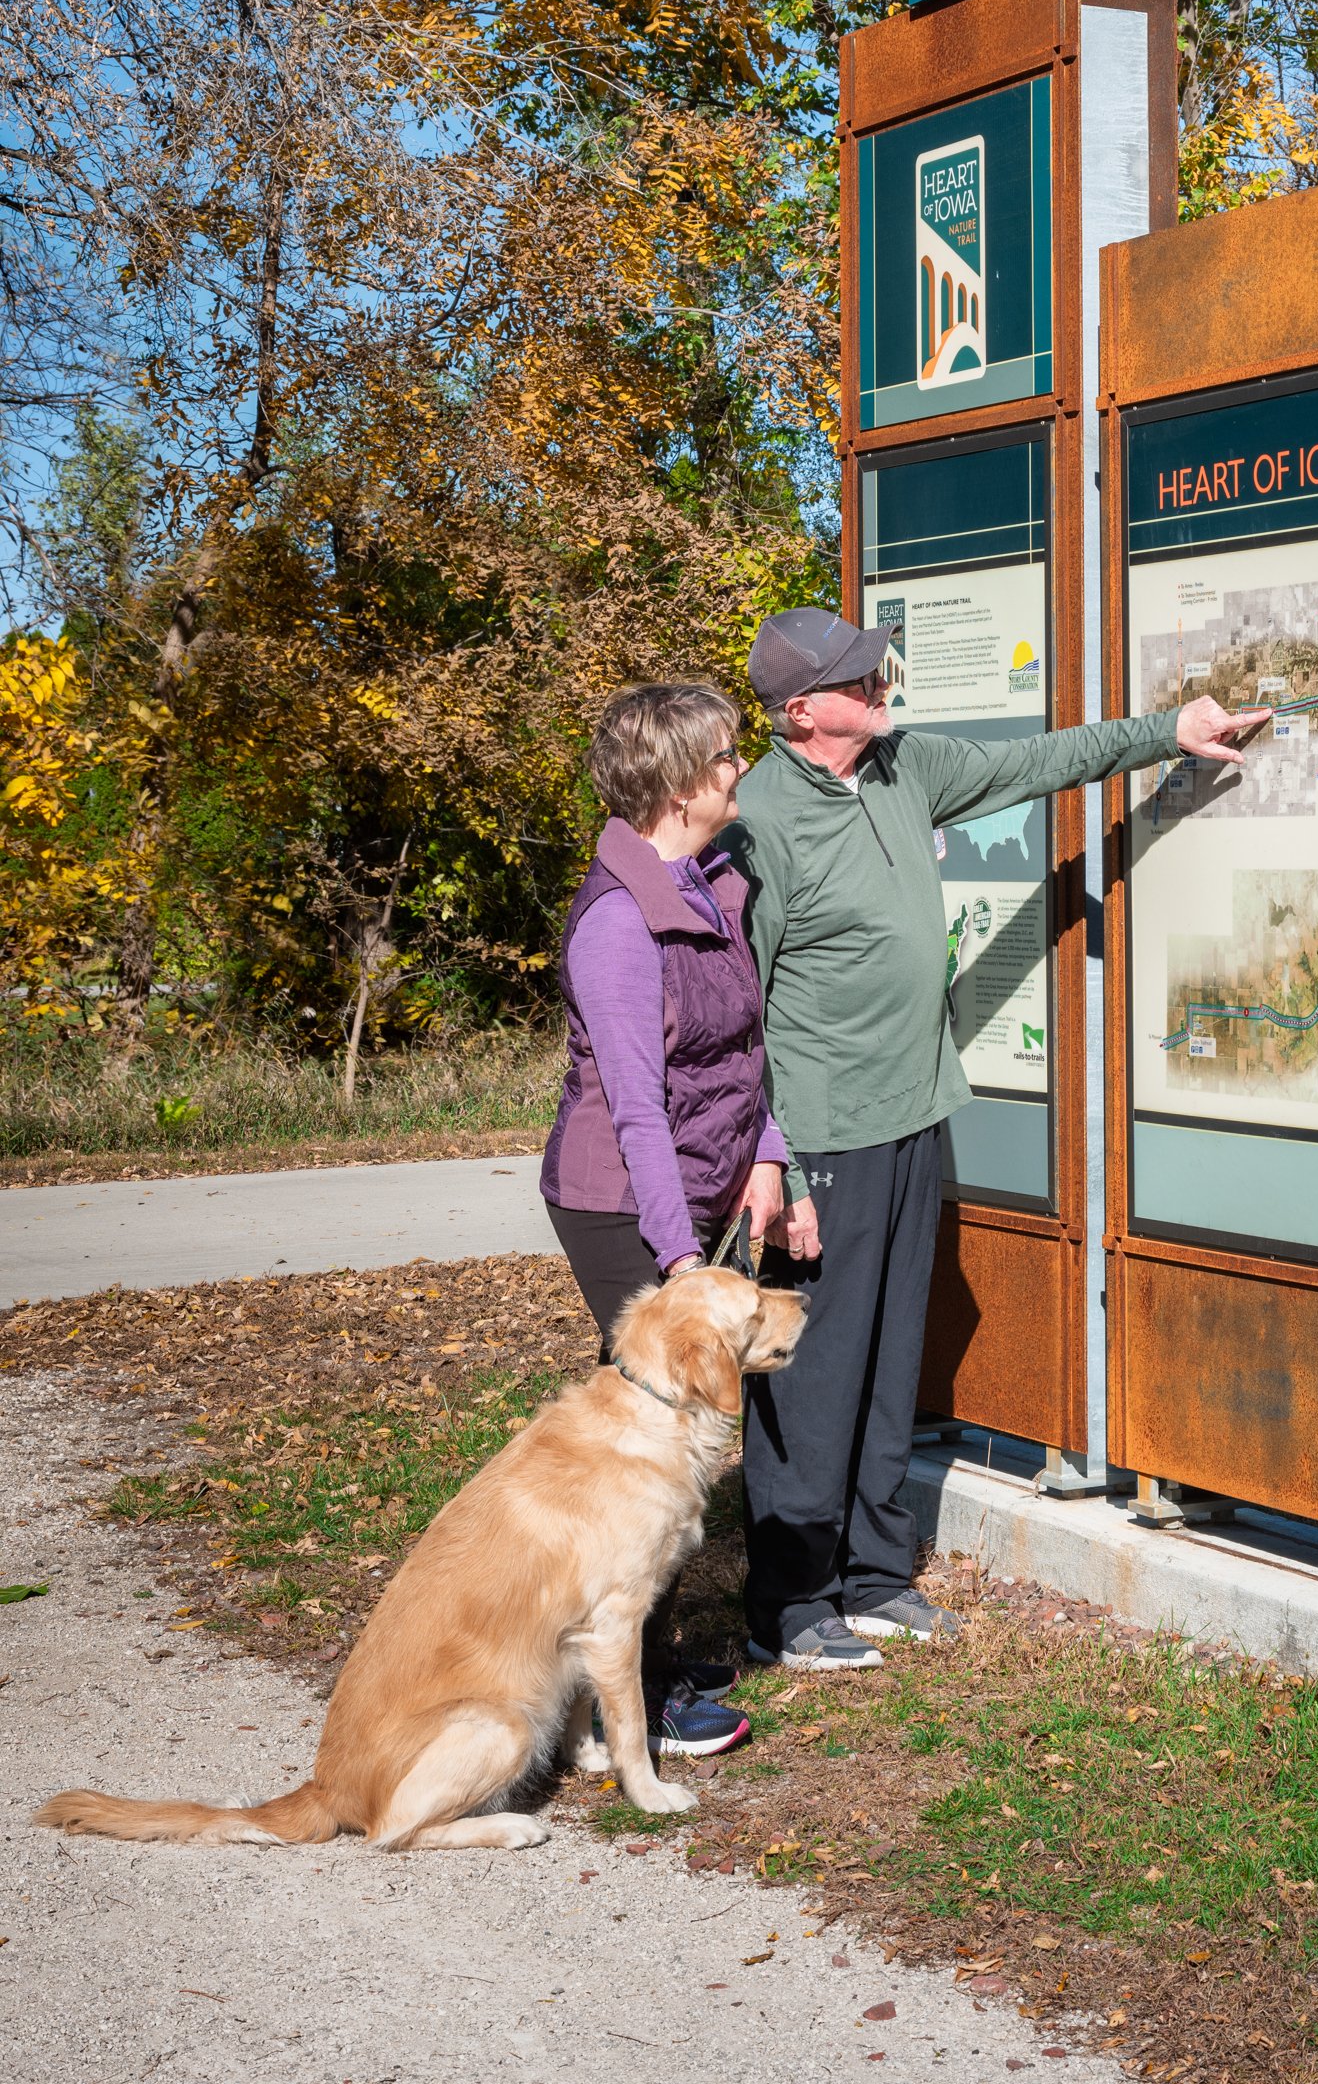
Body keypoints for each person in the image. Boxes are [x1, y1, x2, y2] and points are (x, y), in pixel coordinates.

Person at [727, 606, 1268, 1670]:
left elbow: (1038, 762)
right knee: (812, 1365)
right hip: (823, 1136)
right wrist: (770, 1158)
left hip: (913, 1113)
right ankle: (788, 1601)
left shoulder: (902, 767)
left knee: (892, 1352)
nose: (881, 683)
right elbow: (742, 1007)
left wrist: (1168, 730)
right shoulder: (758, 818)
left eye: (876, 667)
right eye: (857, 678)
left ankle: (873, 1573)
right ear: (800, 712)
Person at [540, 679, 805, 1752]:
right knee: (650, 1444)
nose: (741, 768)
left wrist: (766, 1154)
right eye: (726, 756)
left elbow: (745, 1049)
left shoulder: (708, 882)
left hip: (699, 1184)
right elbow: (638, 1111)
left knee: (667, 1438)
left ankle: (632, 1659)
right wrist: (681, 1259)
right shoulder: (617, 923)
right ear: (680, 784)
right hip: (621, 1202)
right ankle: (633, 1699)